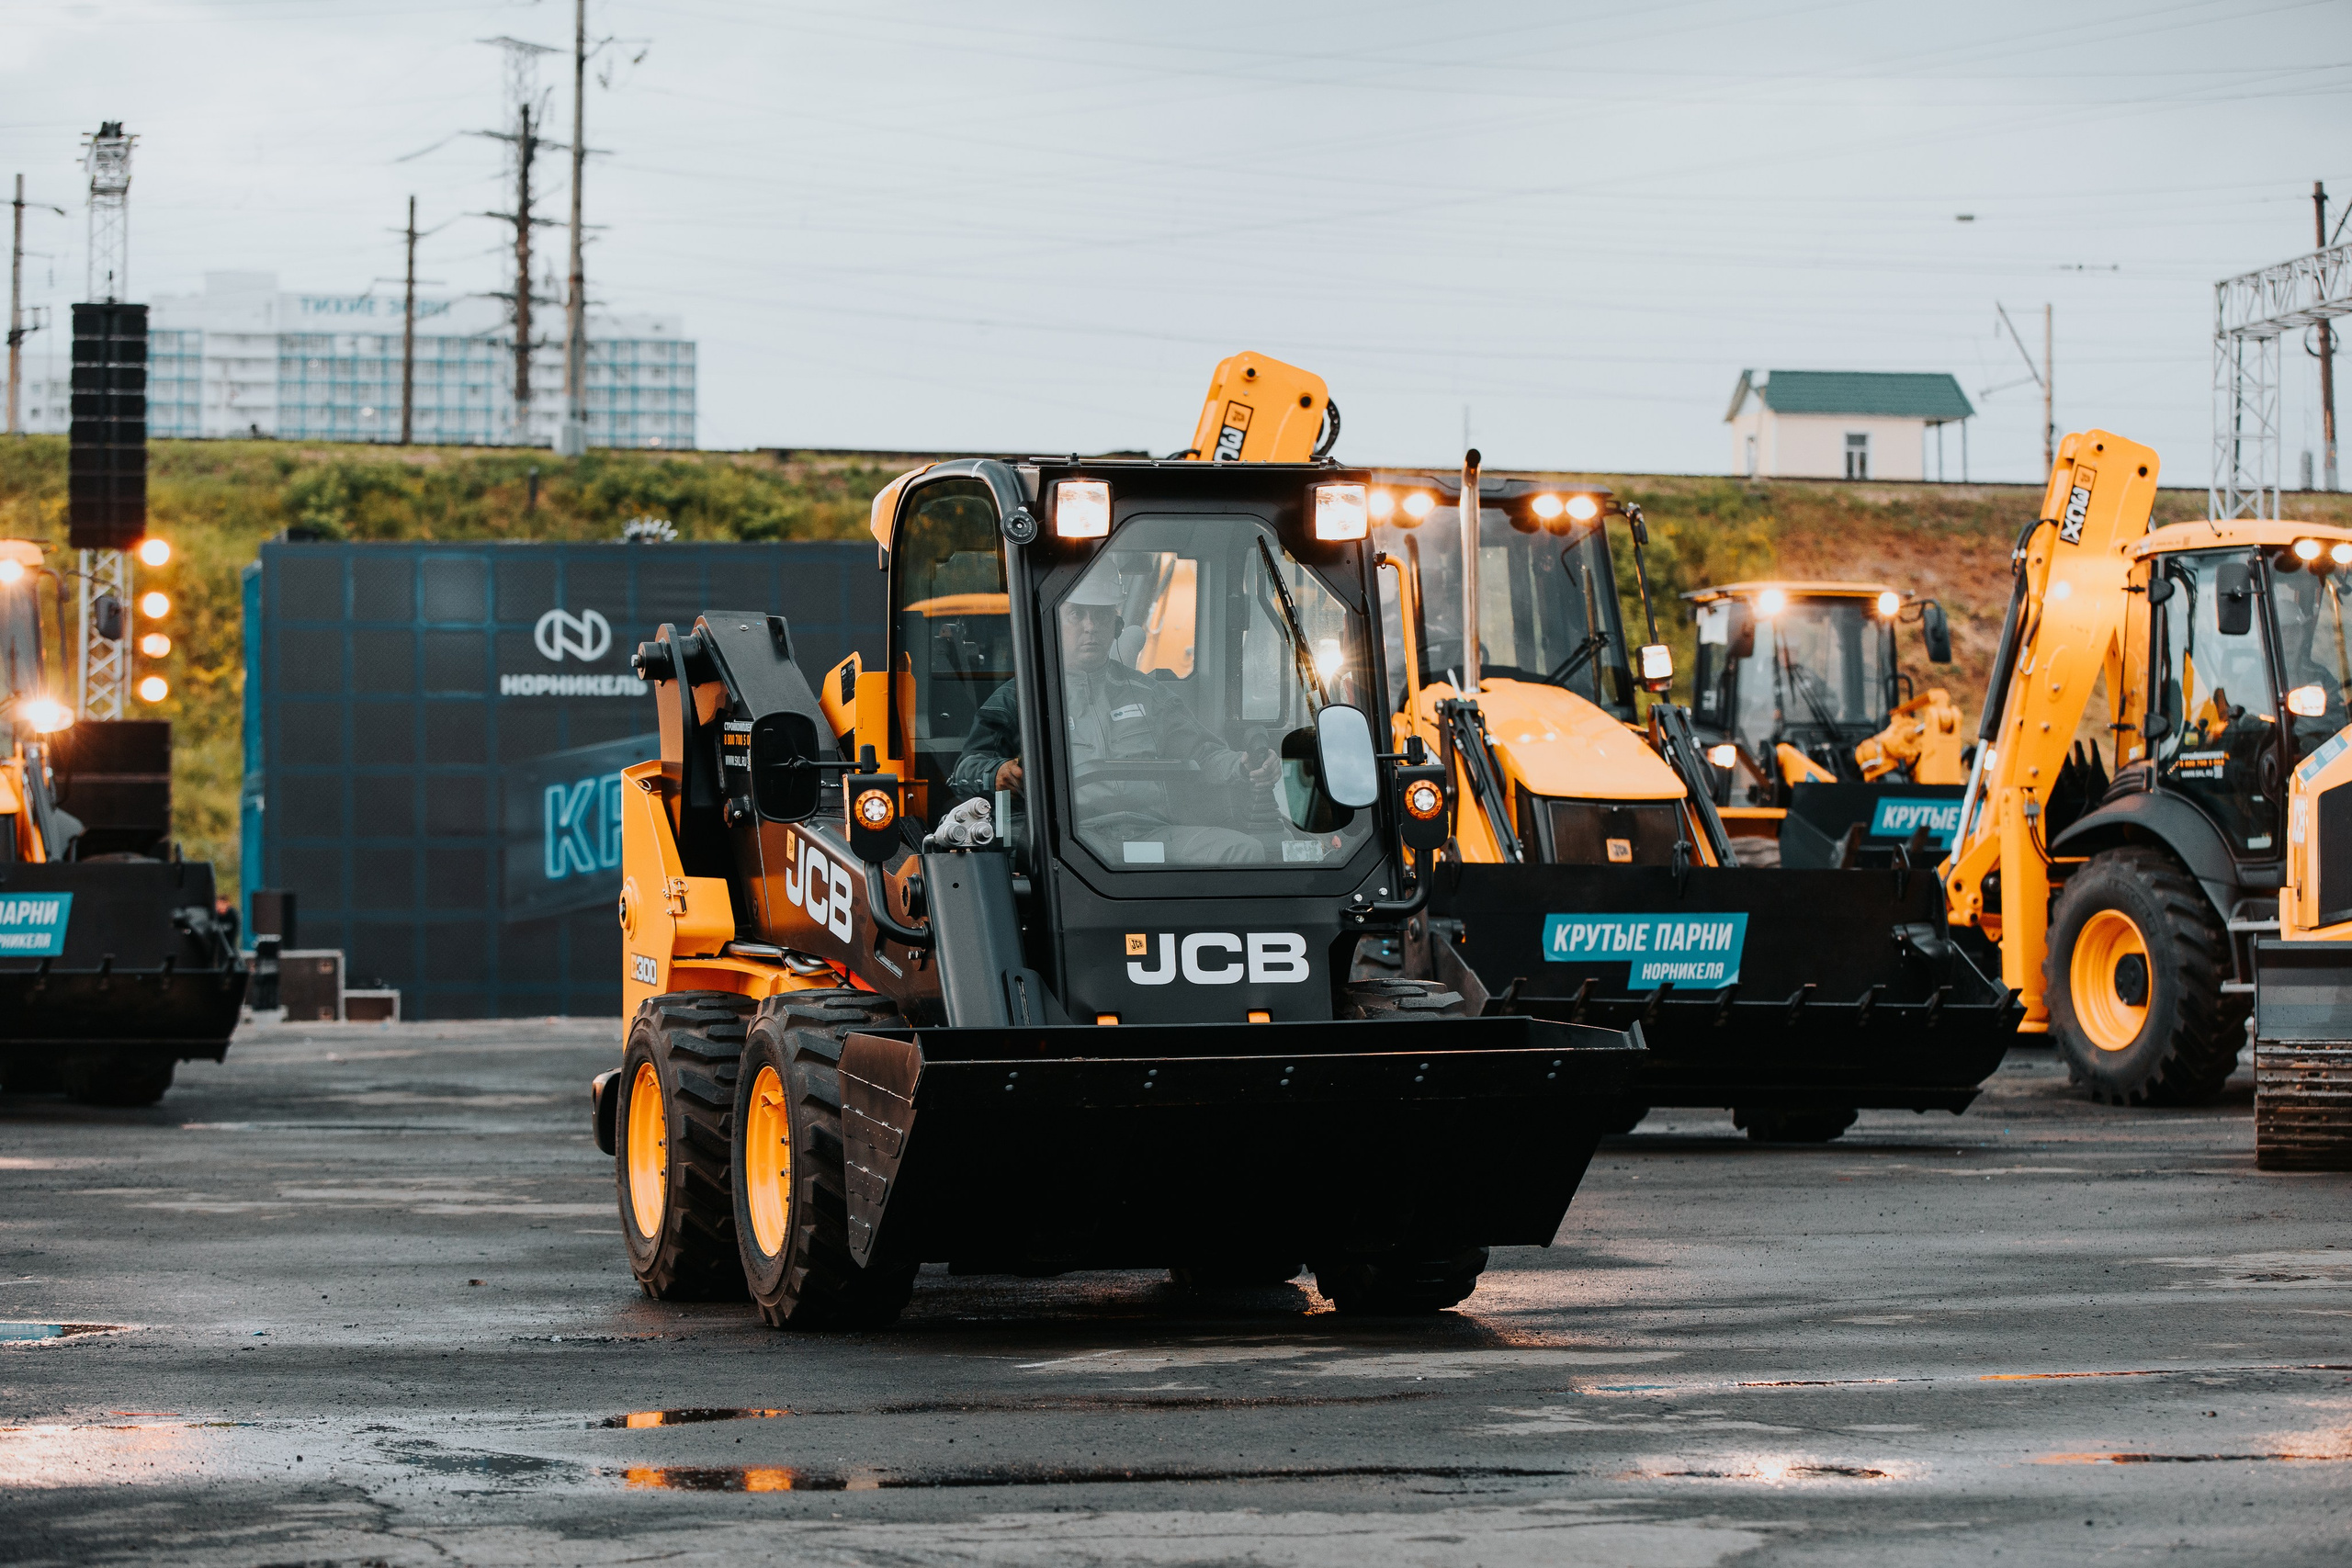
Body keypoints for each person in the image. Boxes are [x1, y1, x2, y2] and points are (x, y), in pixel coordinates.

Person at [949, 567, 1279, 864]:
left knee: (1243, 851)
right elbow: (965, 768)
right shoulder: (1020, 697)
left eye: (1101, 616)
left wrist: (1242, 765)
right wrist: (998, 772)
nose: (1090, 627)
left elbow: (1203, 753)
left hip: (1150, 832)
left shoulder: (1150, 693)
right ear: (1052, 621)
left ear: (1117, 626)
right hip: (1070, 840)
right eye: (1077, 614)